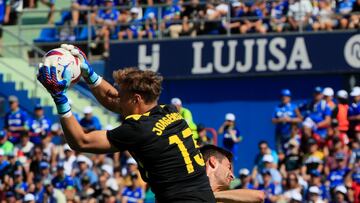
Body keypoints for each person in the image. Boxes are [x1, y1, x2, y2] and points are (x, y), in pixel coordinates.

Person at [37, 43, 215, 202]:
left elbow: (81, 140)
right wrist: (89, 74)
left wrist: (59, 98)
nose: (118, 97)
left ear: (136, 99)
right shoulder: (170, 111)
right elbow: (112, 99)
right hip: (203, 196)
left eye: (122, 95)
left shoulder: (138, 129)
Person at [200, 144, 265, 203]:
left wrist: (210, 195)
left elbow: (259, 196)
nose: (232, 176)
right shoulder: (192, 192)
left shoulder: (224, 199)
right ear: (213, 162)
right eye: (228, 167)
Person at [272, 89, 302, 153]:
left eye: (286, 96)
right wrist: (281, 119)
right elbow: (273, 120)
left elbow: (300, 119)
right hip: (280, 133)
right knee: (280, 152)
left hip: (291, 133)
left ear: (289, 98)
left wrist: (290, 119)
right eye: (282, 96)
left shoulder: (294, 107)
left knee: (291, 151)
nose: (284, 98)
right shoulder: (277, 108)